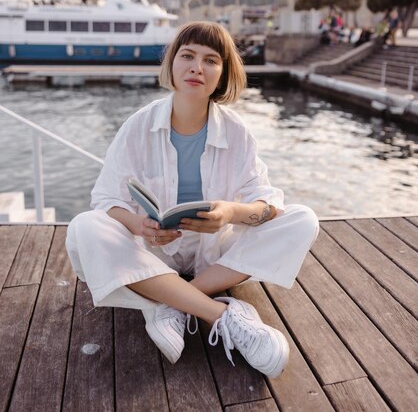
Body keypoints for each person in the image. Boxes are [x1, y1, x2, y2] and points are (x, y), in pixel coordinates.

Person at [65, 21, 319, 378]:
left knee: (303, 219)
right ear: (171, 63)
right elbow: (106, 198)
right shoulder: (138, 125)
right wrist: (140, 225)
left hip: (214, 256)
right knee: (84, 227)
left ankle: (172, 303)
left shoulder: (236, 131)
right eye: (187, 55)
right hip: (152, 251)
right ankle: (223, 316)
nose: (197, 67)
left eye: (211, 60)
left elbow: (267, 202)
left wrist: (231, 212)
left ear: (223, 74)